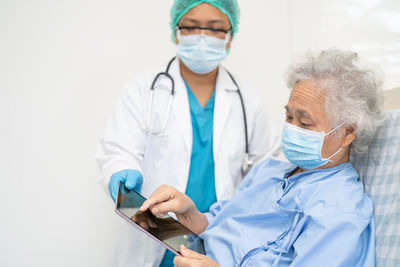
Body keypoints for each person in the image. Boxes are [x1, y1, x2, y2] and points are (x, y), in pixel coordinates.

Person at [139, 49, 384, 266]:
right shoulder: (268, 171)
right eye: (289, 118)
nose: (292, 128)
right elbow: (219, 226)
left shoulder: (340, 212)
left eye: (305, 122)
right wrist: (191, 214)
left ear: (347, 133)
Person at [95, 0, 279, 266]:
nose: (203, 37)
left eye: (215, 29)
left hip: (220, 238)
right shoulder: (142, 90)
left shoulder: (247, 99)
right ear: (176, 31)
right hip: (153, 235)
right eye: (191, 27)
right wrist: (119, 171)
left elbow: (266, 170)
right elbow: (118, 150)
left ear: (229, 38)